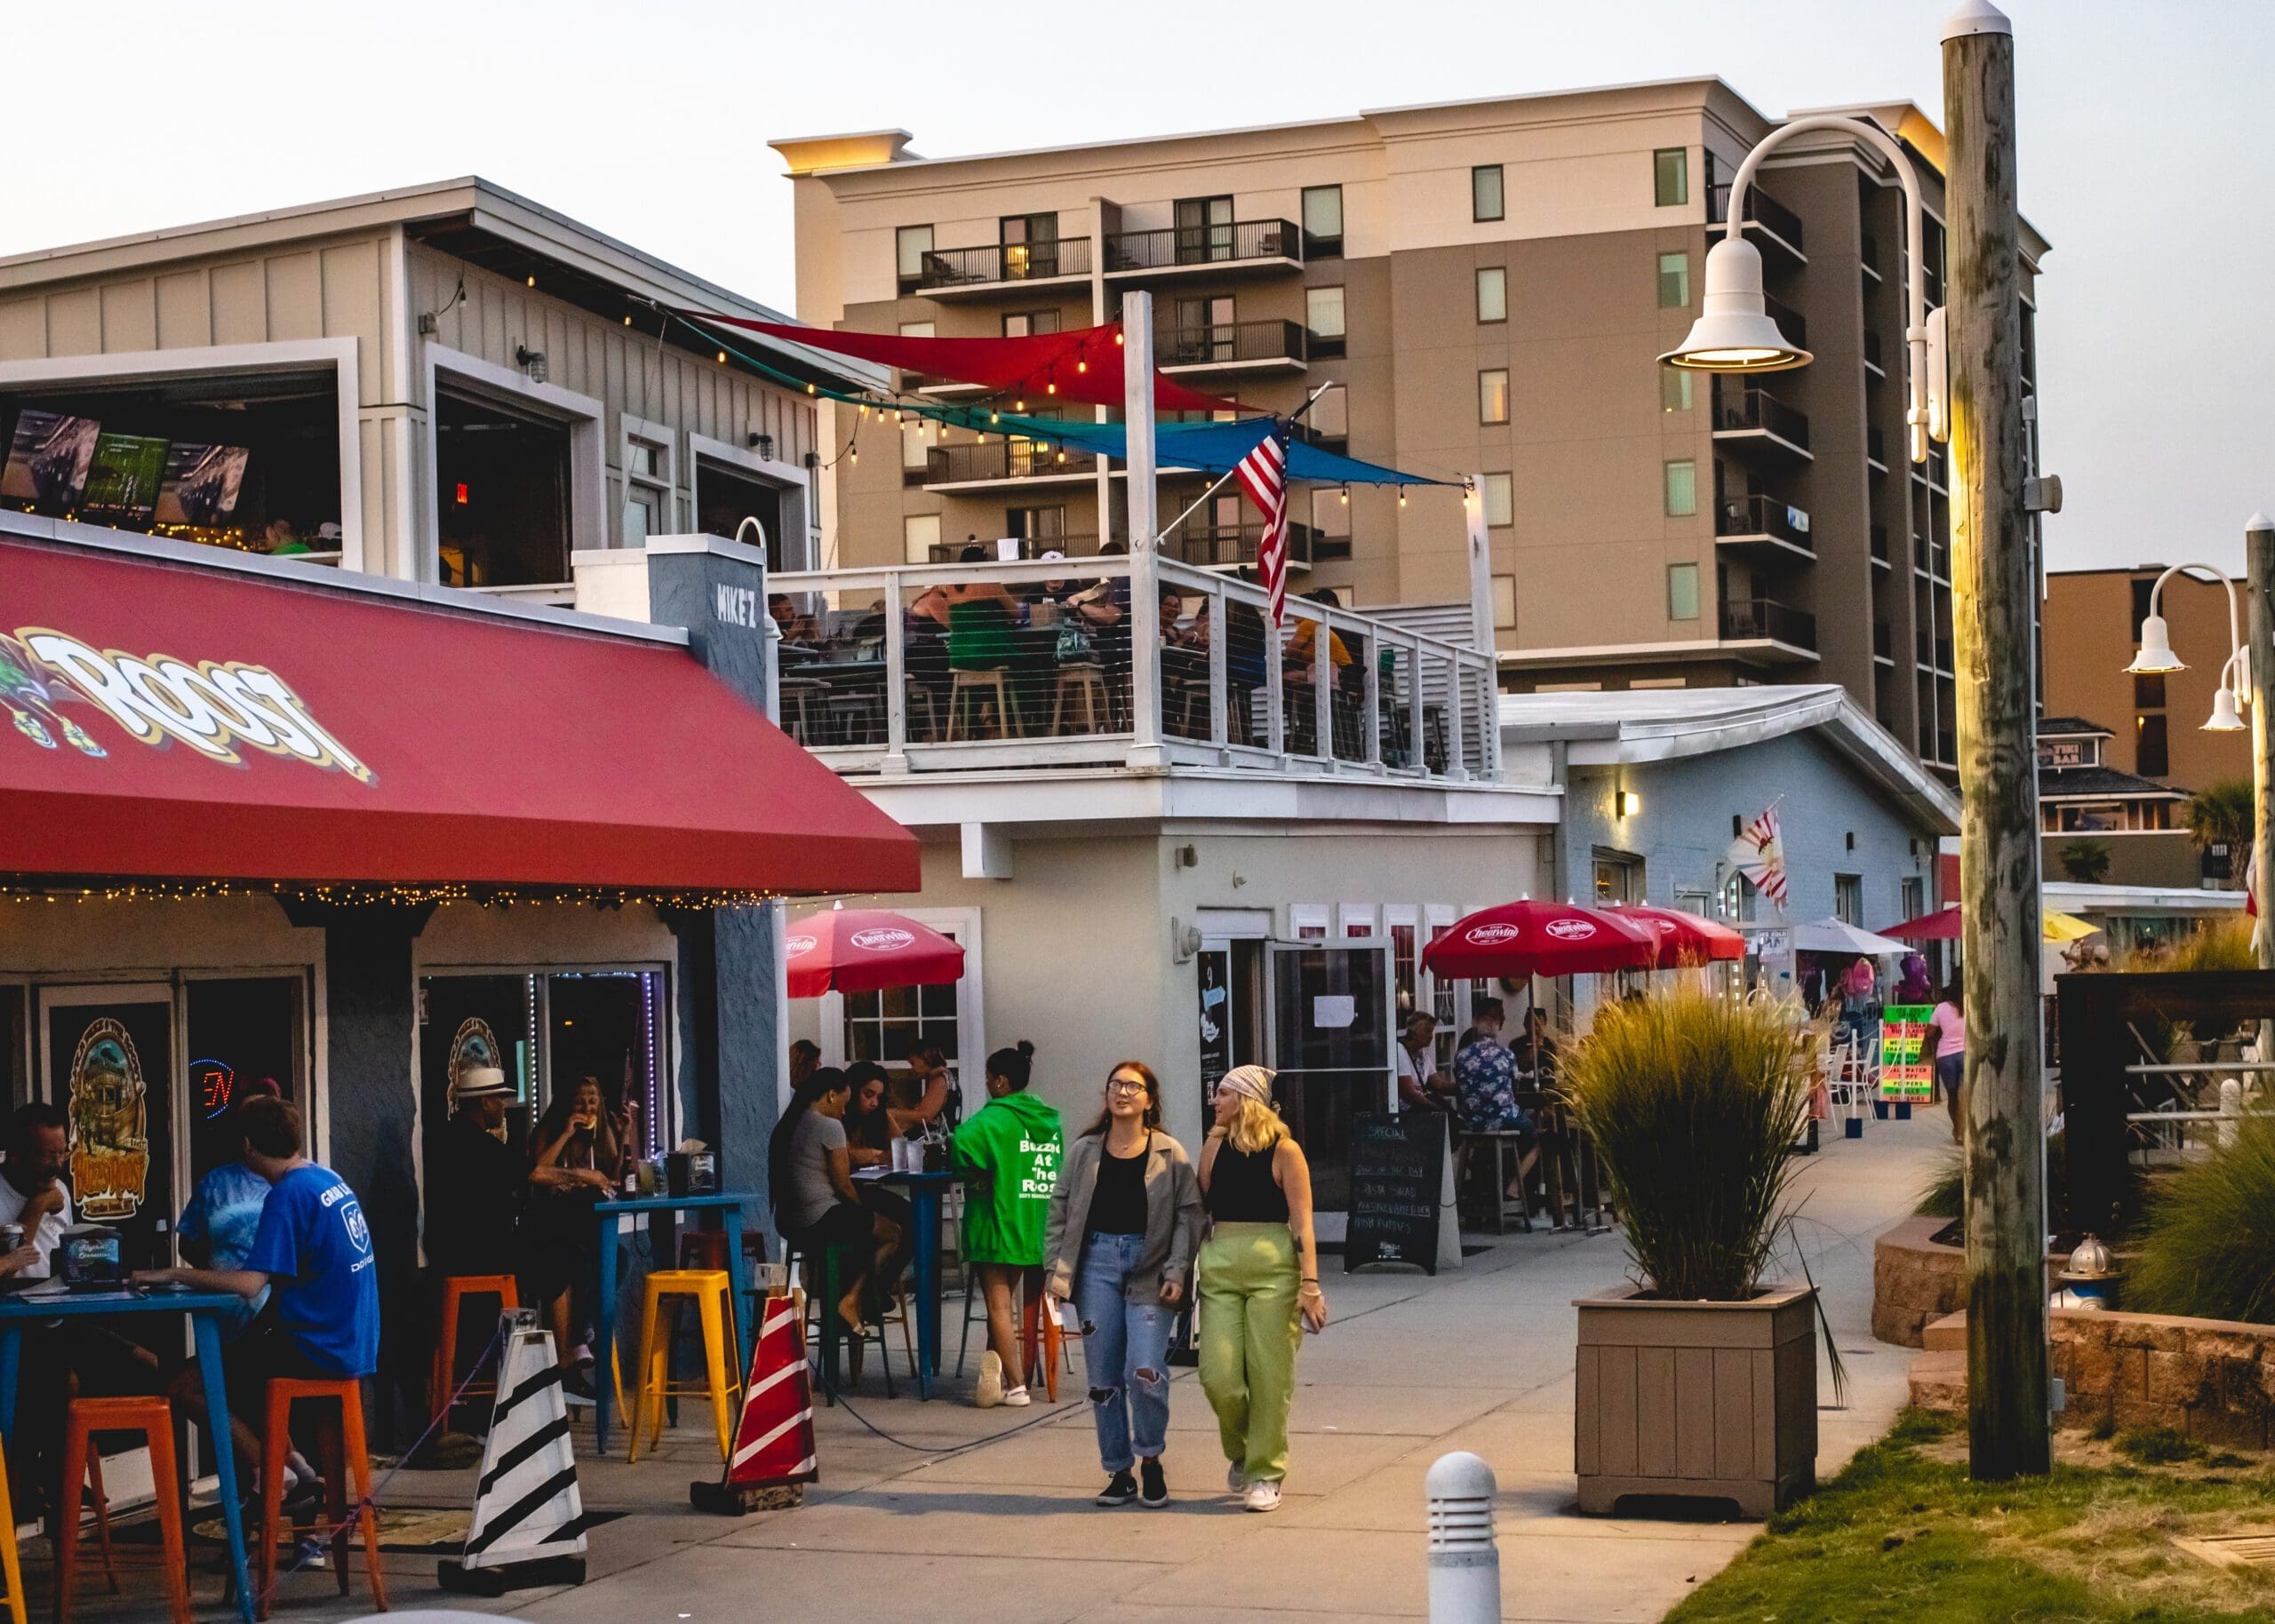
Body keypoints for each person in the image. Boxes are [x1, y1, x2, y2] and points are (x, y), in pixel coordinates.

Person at [136, 1097, 379, 1489]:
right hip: (353, 1340)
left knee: (186, 1384)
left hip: (316, 1347)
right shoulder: (327, 1179)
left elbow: (250, 1285)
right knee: (244, 1361)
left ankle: (271, 1472)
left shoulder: (287, 1194)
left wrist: (172, 1272)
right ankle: (295, 1467)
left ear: (248, 1144)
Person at [1042, 1063, 1202, 1509]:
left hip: (1150, 1268)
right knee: (1103, 1379)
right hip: (1096, 1265)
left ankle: (1150, 1458)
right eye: (1115, 1085)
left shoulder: (1170, 1155)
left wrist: (1176, 1271)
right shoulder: (1084, 1152)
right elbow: (1059, 1210)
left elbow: (1190, 1216)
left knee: (1145, 1370)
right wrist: (1056, 1272)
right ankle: (1118, 1470)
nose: (1123, 1093)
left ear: (1149, 1099)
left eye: (1133, 1086)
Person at [172, 1079, 321, 1503]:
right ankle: (291, 1475)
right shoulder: (217, 1182)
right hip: (230, 1313)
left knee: (207, 1387)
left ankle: (277, 1476)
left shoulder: (295, 1185)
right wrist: (211, 1271)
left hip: (277, 1317)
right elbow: (192, 1240)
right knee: (243, 1392)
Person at [1198, 1067, 1325, 1513]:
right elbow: (1200, 1208)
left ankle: (1265, 1472)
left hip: (1274, 1271)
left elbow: (1303, 1222)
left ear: (1246, 1099)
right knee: (1218, 1375)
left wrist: (1310, 1284)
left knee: (1271, 1378)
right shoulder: (1214, 1146)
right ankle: (1243, 1450)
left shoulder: (1285, 1151)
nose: (1215, 1101)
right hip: (1219, 1270)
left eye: (1223, 1093)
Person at [948, 1041, 1063, 1409]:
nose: (985, 1085)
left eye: (987, 1078)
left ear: (1000, 1081)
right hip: (1034, 1222)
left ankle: (1016, 1386)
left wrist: (976, 1171)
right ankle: (995, 1377)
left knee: (999, 1307)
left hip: (997, 1221)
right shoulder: (1048, 1118)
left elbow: (959, 1145)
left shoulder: (995, 1117)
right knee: (1006, 1308)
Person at [770, 1069, 899, 1339]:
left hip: (787, 1221)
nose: (844, 1112)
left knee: (863, 1231)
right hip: (821, 1218)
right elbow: (842, 1184)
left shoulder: (791, 1123)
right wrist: (863, 1209)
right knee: (891, 1232)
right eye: (843, 1102)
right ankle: (852, 1299)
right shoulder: (829, 1126)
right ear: (830, 1096)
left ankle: (850, 1302)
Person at [524, 1079, 629, 1401]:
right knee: (572, 1262)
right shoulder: (550, 1130)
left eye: (593, 1102)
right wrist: (567, 1132)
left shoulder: (598, 1136)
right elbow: (537, 1170)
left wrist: (623, 1133)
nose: (587, 1109)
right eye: (581, 1102)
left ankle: (583, 1332)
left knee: (618, 1258)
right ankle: (573, 1354)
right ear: (567, 1105)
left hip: (582, 1224)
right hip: (546, 1225)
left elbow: (612, 1174)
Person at [1395, 1013, 1454, 1114]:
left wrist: (1464, 1088)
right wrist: (1438, 1109)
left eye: (1431, 1032)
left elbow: (1439, 1084)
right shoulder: (1400, 1051)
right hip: (1406, 1112)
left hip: (1422, 1106)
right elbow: (1409, 1094)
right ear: (1414, 1032)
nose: (1431, 1036)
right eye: (1427, 1032)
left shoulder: (1422, 1054)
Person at [1931, 979, 1967, 1144]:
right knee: (1965, 1094)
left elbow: (1929, 1032)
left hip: (1945, 1056)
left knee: (1952, 1097)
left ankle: (1957, 1130)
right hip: (1966, 1054)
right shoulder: (1970, 1005)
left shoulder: (1941, 1008)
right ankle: (1965, 1129)